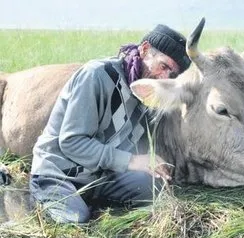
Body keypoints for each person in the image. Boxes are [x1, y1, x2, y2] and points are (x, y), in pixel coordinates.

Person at [29, 24, 191, 223]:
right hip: (59, 173)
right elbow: (72, 143)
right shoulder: (97, 75)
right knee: (74, 220)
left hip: (99, 177)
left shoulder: (148, 95)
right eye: (163, 66)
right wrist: (132, 161)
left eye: (172, 74)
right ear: (145, 49)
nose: (165, 78)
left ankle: (92, 204)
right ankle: (36, 198)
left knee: (156, 189)